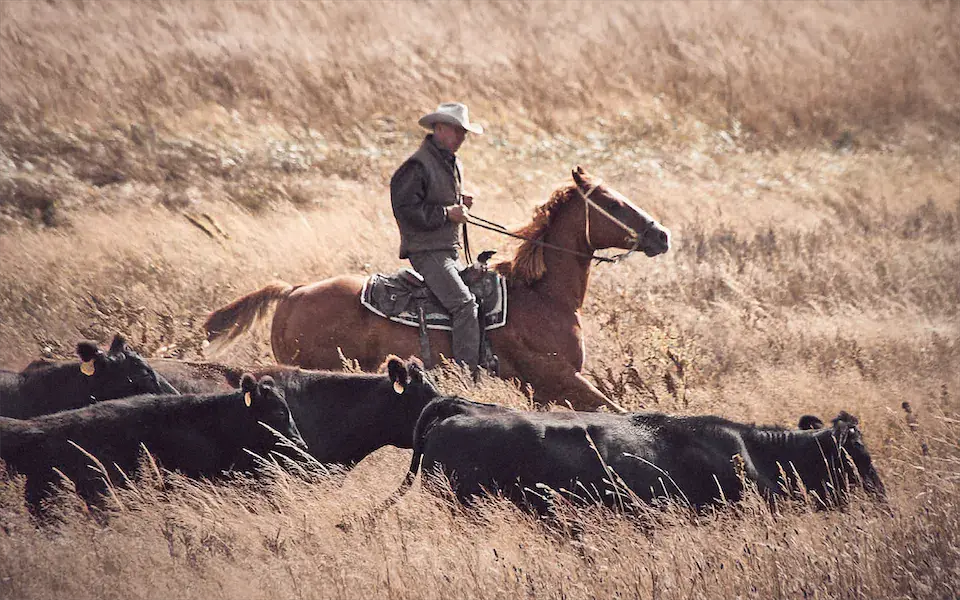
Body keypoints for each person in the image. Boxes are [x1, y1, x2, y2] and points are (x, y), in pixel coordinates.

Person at [390, 102, 484, 372]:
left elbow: (432, 198)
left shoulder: (449, 162)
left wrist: (458, 201)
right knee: (465, 305)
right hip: (427, 252)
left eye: (464, 133)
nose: (462, 138)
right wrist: (447, 214)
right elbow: (406, 210)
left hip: (446, 251)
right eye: (458, 131)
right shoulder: (417, 166)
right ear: (440, 128)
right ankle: (466, 376)